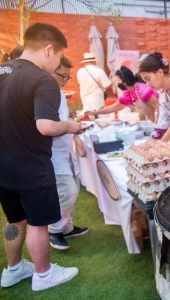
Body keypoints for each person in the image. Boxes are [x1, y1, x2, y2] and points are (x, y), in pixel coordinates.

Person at [0, 23, 79, 291]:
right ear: (48, 49)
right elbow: (46, 126)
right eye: (58, 56)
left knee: (14, 220)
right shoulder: (42, 79)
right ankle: (44, 275)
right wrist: (68, 125)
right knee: (37, 223)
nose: (57, 62)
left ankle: (13, 269)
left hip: (3, 165)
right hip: (31, 165)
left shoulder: (2, 70)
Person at [48, 55, 89, 251]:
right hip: (53, 151)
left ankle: (67, 227)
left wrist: (69, 117)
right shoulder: (44, 91)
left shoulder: (58, 92)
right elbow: (46, 125)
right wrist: (70, 126)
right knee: (66, 190)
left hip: (65, 148)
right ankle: (54, 230)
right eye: (63, 76)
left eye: (68, 77)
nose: (65, 81)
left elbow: (59, 117)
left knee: (75, 185)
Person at [85, 66, 159, 122]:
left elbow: (159, 107)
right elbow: (114, 107)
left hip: (158, 121)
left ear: (124, 82)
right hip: (148, 122)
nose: (117, 83)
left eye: (118, 80)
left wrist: (157, 126)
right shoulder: (128, 94)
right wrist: (94, 112)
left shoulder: (143, 91)